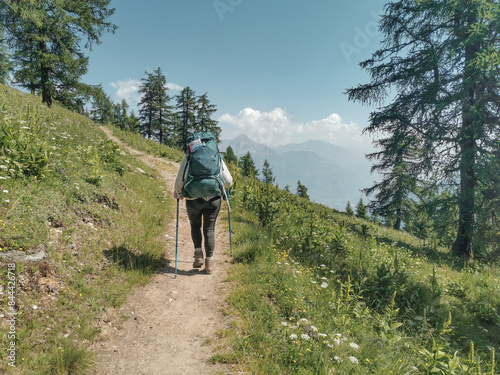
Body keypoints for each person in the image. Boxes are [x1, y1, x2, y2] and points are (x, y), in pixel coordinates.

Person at [173, 146, 232, 274]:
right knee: (209, 228)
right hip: (213, 198)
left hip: (193, 198)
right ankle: (209, 263)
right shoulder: (216, 157)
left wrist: (178, 193)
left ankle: (198, 254)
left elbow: (181, 178)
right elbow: (228, 181)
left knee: (195, 225)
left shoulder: (190, 157)